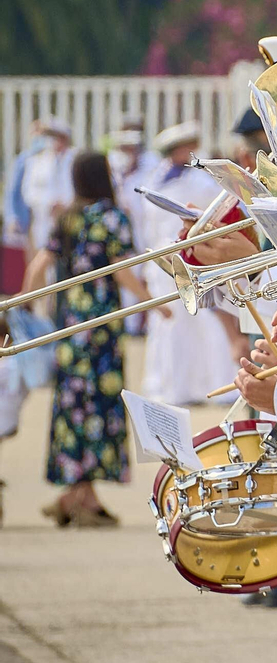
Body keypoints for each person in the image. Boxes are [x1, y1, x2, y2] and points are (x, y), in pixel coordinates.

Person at [22, 152, 162, 527]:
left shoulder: (67, 217)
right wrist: (154, 305)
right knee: (99, 409)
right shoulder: (112, 218)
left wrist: (20, 307)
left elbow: (39, 265)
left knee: (72, 409)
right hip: (101, 334)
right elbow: (122, 272)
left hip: (69, 333)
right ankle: (82, 499)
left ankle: (76, 495)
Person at [138, 122, 243, 406]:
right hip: (164, 259)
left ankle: (213, 386)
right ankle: (175, 387)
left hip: (192, 256)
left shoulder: (194, 180)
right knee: (171, 326)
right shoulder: (159, 179)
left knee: (206, 322)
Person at [15, 118, 75, 257]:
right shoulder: (35, 162)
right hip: (44, 220)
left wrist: (66, 205)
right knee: (44, 262)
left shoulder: (74, 160)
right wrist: (49, 204)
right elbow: (28, 193)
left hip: (69, 219)